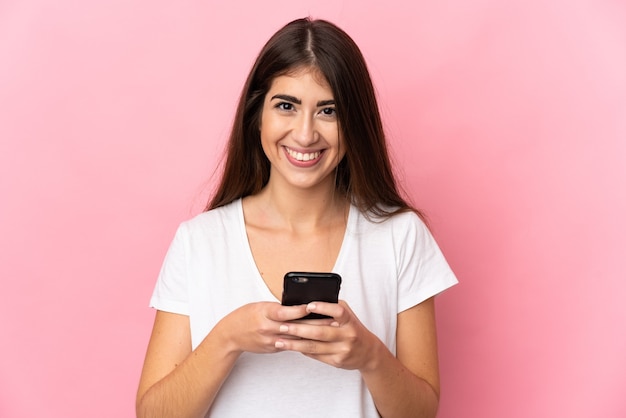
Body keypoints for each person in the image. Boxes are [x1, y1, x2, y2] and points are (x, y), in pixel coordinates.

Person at [136, 17, 457, 418]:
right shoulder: (199, 241)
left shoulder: (400, 235)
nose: (305, 135)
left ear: (354, 122)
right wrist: (227, 339)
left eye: (328, 111)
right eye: (286, 106)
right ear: (258, 115)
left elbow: (422, 412)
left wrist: (369, 355)